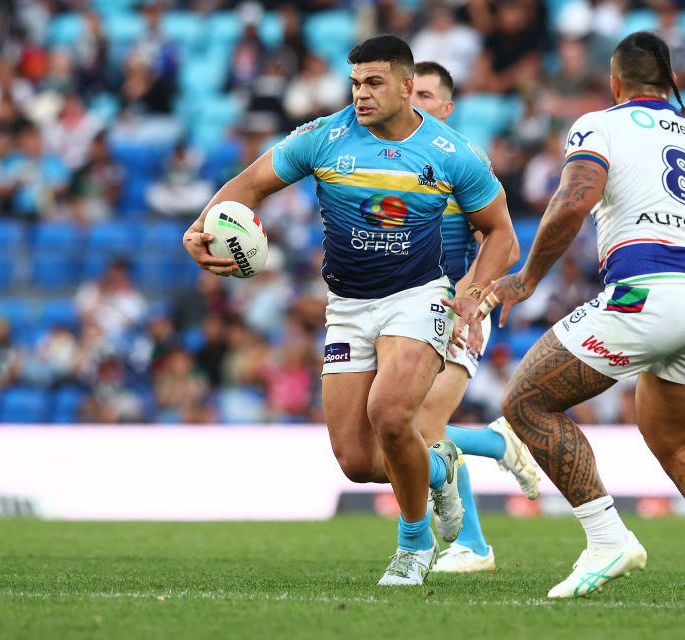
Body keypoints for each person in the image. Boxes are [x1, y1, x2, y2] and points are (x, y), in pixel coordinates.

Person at [182, 36, 516, 585]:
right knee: (359, 463)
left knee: (390, 413)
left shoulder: (452, 153)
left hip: (419, 297)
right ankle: (440, 465)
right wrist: (201, 225)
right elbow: (248, 186)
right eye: (356, 82)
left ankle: (412, 546)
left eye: (374, 82)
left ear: (408, 87)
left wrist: (473, 293)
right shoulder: (323, 137)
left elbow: (500, 233)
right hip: (347, 305)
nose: (361, 94)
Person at [479, 31, 685, 600]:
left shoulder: (601, 123)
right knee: (675, 439)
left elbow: (573, 201)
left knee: (525, 401)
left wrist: (526, 279)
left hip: (647, 291)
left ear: (614, 82)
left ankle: (607, 540)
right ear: (669, 82)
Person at [409, 60, 539, 574]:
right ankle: (495, 444)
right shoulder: (386, 160)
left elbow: (501, 243)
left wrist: (474, 298)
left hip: (453, 310)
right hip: (398, 315)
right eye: (409, 92)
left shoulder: (463, 159)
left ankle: (469, 545)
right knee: (402, 428)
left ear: (447, 108)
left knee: (421, 425)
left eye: (425, 94)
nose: (414, 101)